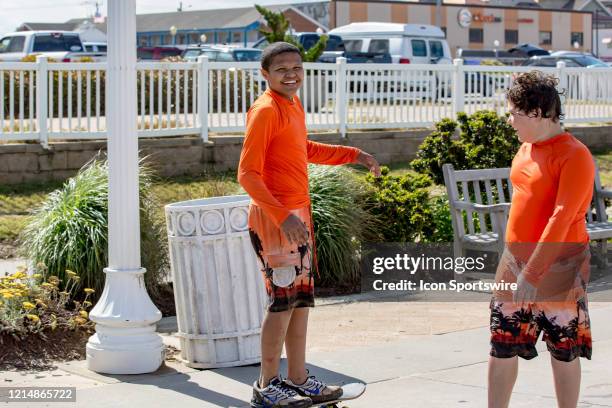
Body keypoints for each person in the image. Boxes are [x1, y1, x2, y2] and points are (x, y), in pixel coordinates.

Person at [238, 42, 381, 408]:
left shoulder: (292, 104)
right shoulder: (266, 110)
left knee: (300, 302)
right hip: (276, 221)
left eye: (297, 67)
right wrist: (282, 216)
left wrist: (354, 155)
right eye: (282, 68)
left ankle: (298, 379)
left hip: (297, 217)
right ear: (265, 74)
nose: (291, 74)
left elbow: (304, 149)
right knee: (281, 301)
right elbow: (248, 175)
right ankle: (267, 384)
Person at [488, 71, 595, 408]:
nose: (509, 121)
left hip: (559, 267)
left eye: (514, 113)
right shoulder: (525, 149)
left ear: (537, 113)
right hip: (513, 261)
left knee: (563, 349)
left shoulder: (574, 155)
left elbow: (562, 217)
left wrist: (532, 274)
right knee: (502, 343)